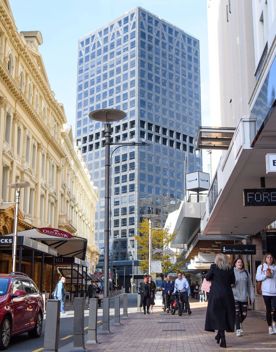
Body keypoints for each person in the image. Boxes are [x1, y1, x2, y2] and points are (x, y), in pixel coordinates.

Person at [205, 253, 235, 348]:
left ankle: (222, 337)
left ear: (217, 260)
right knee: (225, 315)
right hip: (227, 295)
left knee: (217, 315)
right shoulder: (230, 268)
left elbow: (207, 277)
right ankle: (219, 335)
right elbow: (232, 281)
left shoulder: (213, 267)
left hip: (216, 295)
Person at [232, 257, 255, 337]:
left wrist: (252, 296)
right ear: (235, 263)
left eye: (241, 262)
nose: (240, 263)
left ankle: (238, 323)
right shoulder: (232, 272)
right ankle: (238, 329)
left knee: (244, 314)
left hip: (244, 296)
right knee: (237, 313)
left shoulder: (246, 273)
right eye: (238, 262)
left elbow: (250, 285)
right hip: (235, 296)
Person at [256, 253, 276, 335]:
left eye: (271, 257)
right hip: (266, 292)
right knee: (268, 309)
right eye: (268, 257)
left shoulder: (275, 267)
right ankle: (270, 327)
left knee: (274, 309)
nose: (269, 258)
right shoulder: (261, 267)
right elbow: (257, 278)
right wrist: (265, 275)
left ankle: (274, 324)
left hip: (275, 292)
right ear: (265, 259)